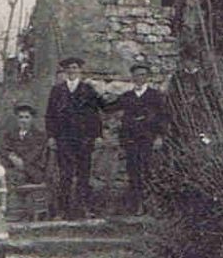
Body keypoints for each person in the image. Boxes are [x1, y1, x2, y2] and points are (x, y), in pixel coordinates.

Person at [46, 56, 105, 219]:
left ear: (80, 70)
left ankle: (84, 208)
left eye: (75, 68)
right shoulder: (57, 90)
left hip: (84, 138)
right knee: (65, 174)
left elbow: (95, 114)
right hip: (64, 138)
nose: (72, 71)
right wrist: (51, 136)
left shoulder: (88, 90)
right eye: (69, 68)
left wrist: (98, 135)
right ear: (65, 71)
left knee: (84, 174)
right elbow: (50, 115)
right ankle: (63, 210)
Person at [111, 62, 167, 216]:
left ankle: (150, 205)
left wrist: (159, 137)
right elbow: (112, 110)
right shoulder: (127, 96)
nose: (139, 78)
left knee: (148, 171)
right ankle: (136, 205)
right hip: (131, 139)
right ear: (132, 77)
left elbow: (162, 117)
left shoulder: (155, 96)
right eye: (136, 75)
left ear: (147, 77)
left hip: (148, 138)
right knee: (133, 171)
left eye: (142, 75)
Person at [1, 103, 48, 221]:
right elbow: (4, 149)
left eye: (27, 117)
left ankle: (16, 212)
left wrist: (21, 161)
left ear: (32, 119)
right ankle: (10, 209)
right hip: (14, 167)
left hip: (33, 170)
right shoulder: (10, 134)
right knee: (2, 175)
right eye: (21, 117)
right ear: (17, 119)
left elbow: (35, 154)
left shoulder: (39, 135)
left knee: (13, 177)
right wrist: (11, 156)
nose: (23, 120)